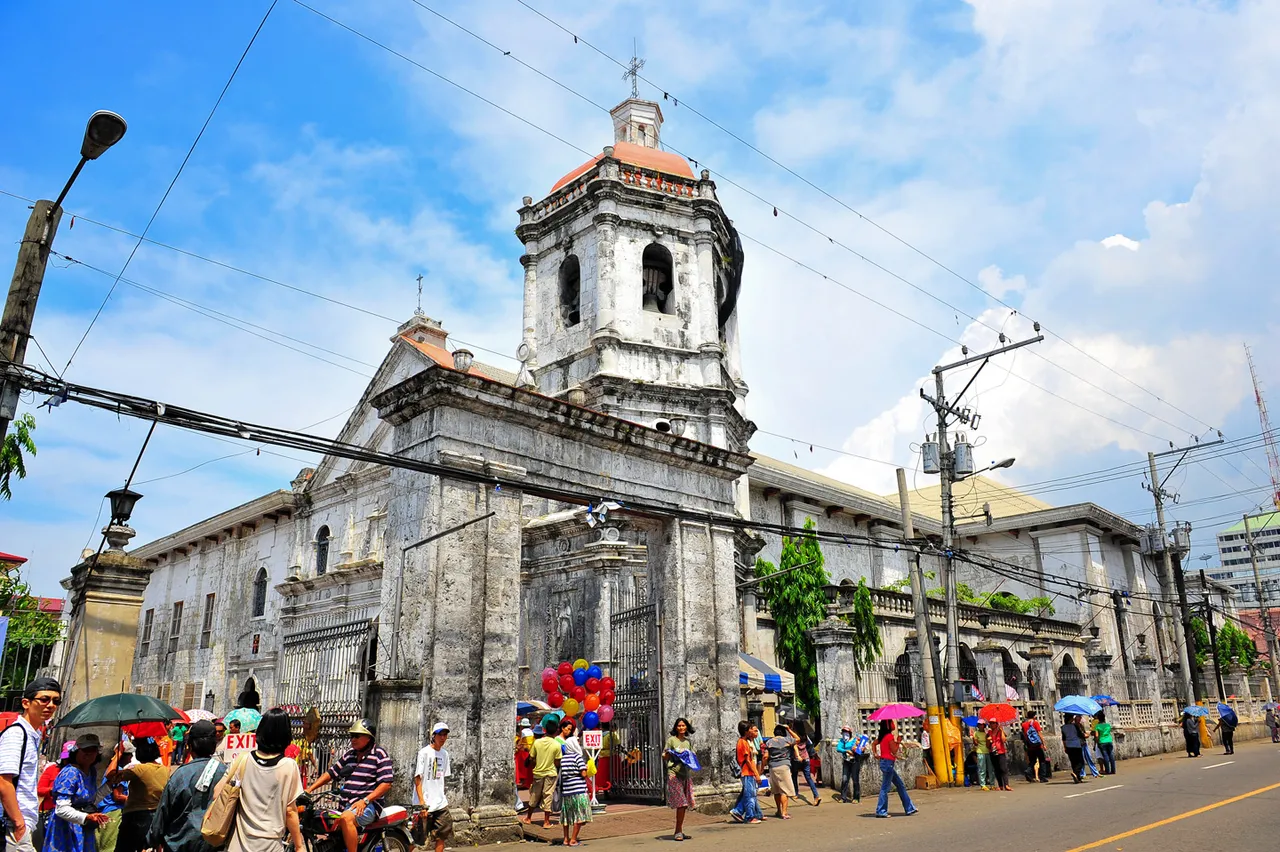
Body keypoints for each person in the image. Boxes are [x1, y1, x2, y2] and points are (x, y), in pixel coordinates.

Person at [215, 708, 303, 852]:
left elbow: (217, 792)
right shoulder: (288, 766)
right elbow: (290, 811)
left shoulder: (243, 759)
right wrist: (299, 846)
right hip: (270, 844)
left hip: (238, 842)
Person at [304, 719, 392, 852]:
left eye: (356, 736)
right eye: (351, 736)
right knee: (322, 820)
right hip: (347, 804)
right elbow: (331, 773)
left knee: (346, 818)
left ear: (368, 738)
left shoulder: (379, 755)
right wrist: (309, 789)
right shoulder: (349, 755)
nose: (353, 739)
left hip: (368, 806)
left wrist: (365, 800)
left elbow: (386, 784)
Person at [1, 677, 62, 852]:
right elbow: (3, 782)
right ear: (26, 703)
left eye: (55, 701)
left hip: (21, 824)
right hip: (12, 824)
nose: (50, 705)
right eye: (44, 699)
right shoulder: (17, 734)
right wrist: (19, 824)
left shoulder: (33, 736)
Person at [147, 720, 226, 852]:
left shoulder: (181, 775)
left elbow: (164, 812)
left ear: (189, 745)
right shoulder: (225, 773)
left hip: (180, 845)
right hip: (214, 845)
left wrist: (152, 839)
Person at [43, 734, 108, 852]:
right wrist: (86, 816)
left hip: (84, 827)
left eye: (92, 750)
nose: (88, 754)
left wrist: (110, 785)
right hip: (66, 828)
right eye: (85, 750)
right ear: (76, 752)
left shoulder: (91, 771)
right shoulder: (70, 773)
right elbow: (61, 809)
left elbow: (91, 799)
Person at [105, 738, 169, 852]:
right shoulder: (165, 769)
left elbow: (110, 774)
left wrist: (118, 753)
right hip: (156, 816)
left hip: (135, 817)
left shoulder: (138, 769)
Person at [413, 723, 452, 852]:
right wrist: (421, 803)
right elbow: (417, 778)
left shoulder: (445, 754)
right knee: (416, 837)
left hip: (440, 802)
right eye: (440, 734)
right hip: (425, 802)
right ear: (433, 736)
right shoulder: (424, 753)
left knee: (443, 832)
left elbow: (441, 778)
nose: (442, 737)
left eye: (445, 735)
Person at [873, 720, 918, 819]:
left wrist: (875, 753)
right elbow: (894, 750)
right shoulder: (889, 736)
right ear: (888, 725)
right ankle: (881, 810)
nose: (894, 724)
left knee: (900, 785)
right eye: (891, 722)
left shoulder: (882, 737)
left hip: (885, 762)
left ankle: (909, 808)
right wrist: (898, 741)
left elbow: (874, 744)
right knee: (885, 788)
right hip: (888, 764)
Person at [664, 719, 696, 841]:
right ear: (676, 728)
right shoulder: (671, 740)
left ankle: (680, 830)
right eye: (679, 725)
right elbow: (664, 755)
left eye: (683, 725)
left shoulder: (688, 742)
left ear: (687, 727)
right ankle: (678, 831)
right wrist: (667, 753)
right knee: (681, 803)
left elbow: (693, 756)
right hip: (674, 773)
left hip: (685, 774)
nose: (681, 727)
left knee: (685, 804)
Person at [522, 725, 560, 829]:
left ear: (545, 730)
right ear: (556, 732)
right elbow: (557, 762)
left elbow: (531, 757)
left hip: (538, 773)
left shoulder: (537, 742)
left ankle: (528, 818)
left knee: (535, 794)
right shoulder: (557, 745)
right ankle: (546, 821)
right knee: (548, 795)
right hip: (551, 773)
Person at [557, 734, 591, 847]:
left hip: (567, 791)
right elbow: (584, 773)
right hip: (579, 790)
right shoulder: (577, 757)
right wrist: (586, 768)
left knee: (567, 816)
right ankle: (573, 840)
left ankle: (565, 839)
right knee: (580, 815)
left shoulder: (563, 758)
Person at [729, 721, 763, 824]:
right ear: (745, 731)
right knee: (750, 796)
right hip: (747, 772)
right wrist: (756, 774)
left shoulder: (744, 741)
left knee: (749, 794)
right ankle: (749, 816)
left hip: (748, 772)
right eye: (749, 729)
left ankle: (739, 811)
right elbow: (748, 760)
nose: (751, 731)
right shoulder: (743, 743)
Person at [761, 724, 795, 821]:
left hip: (773, 767)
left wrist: (763, 767)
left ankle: (779, 810)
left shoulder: (769, 742)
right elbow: (797, 739)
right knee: (784, 791)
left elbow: (765, 756)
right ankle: (784, 812)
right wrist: (789, 729)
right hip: (784, 766)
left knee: (776, 790)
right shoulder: (787, 740)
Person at [784, 724, 820, 806]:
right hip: (806, 758)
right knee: (808, 778)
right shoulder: (805, 736)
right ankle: (816, 795)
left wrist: (789, 730)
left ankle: (796, 793)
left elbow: (793, 747)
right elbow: (810, 745)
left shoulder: (794, 737)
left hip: (796, 759)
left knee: (794, 776)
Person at [834, 725, 865, 803]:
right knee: (844, 779)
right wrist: (846, 751)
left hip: (855, 761)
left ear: (850, 733)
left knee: (855, 780)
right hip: (846, 762)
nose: (845, 734)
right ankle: (843, 797)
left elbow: (860, 749)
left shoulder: (855, 740)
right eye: (844, 733)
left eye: (847, 732)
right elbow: (838, 748)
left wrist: (859, 746)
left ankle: (856, 798)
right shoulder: (842, 741)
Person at [1021, 711, 1048, 782]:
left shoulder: (1024, 724)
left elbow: (1025, 735)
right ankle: (1042, 777)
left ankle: (1028, 770)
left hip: (1030, 745)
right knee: (1042, 760)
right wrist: (1043, 743)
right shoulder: (1035, 723)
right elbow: (1039, 734)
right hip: (1037, 745)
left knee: (1032, 761)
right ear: (1034, 716)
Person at [1061, 714, 1086, 784]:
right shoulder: (1075, 726)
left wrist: (1065, 747)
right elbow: (1080, 735)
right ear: (1070, 719)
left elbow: (1064, 739)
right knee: (1080, 761)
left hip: (1068, 746)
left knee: (1073, 762)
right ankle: (1075, 773)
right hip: (1076, 745)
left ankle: (1077, 778)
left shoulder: (1063, 727)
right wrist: (1085, 735)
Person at [987, 722, 1011, 792]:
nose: (992, 725)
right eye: (991, 723)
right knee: (997, 769)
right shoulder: (989, 732)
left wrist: (1001, 730)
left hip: (1000, 751)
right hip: (993, 752)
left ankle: (1006, 784)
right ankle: (1000, 785)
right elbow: (987, 745)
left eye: (993, 723)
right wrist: (988, 740)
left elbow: (1003, 740)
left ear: (996, 724)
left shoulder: (1000, 731)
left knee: (1003, 768)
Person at [1078, 714, 1101, 778]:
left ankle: (1095, 773)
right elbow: (1083, 735)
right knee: (1081, 759)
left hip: (1084, 743)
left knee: (1089, 758)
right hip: (1079, 744)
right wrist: (1086, 735)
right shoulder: (1076, 727)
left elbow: (1084, 734)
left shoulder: (1081, 726)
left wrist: (1087, 734)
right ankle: (1082, 774)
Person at [973, 721, 992, 791]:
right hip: (980, 751)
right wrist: (974, 740)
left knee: (991, 769)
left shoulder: (987, 732)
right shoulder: (976, 733)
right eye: (979, 725)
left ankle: (992, 784)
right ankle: (983, 784)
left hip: (988, 751)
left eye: (982, 725)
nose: (981, 726)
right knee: (982, 769)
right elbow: (975, 744)